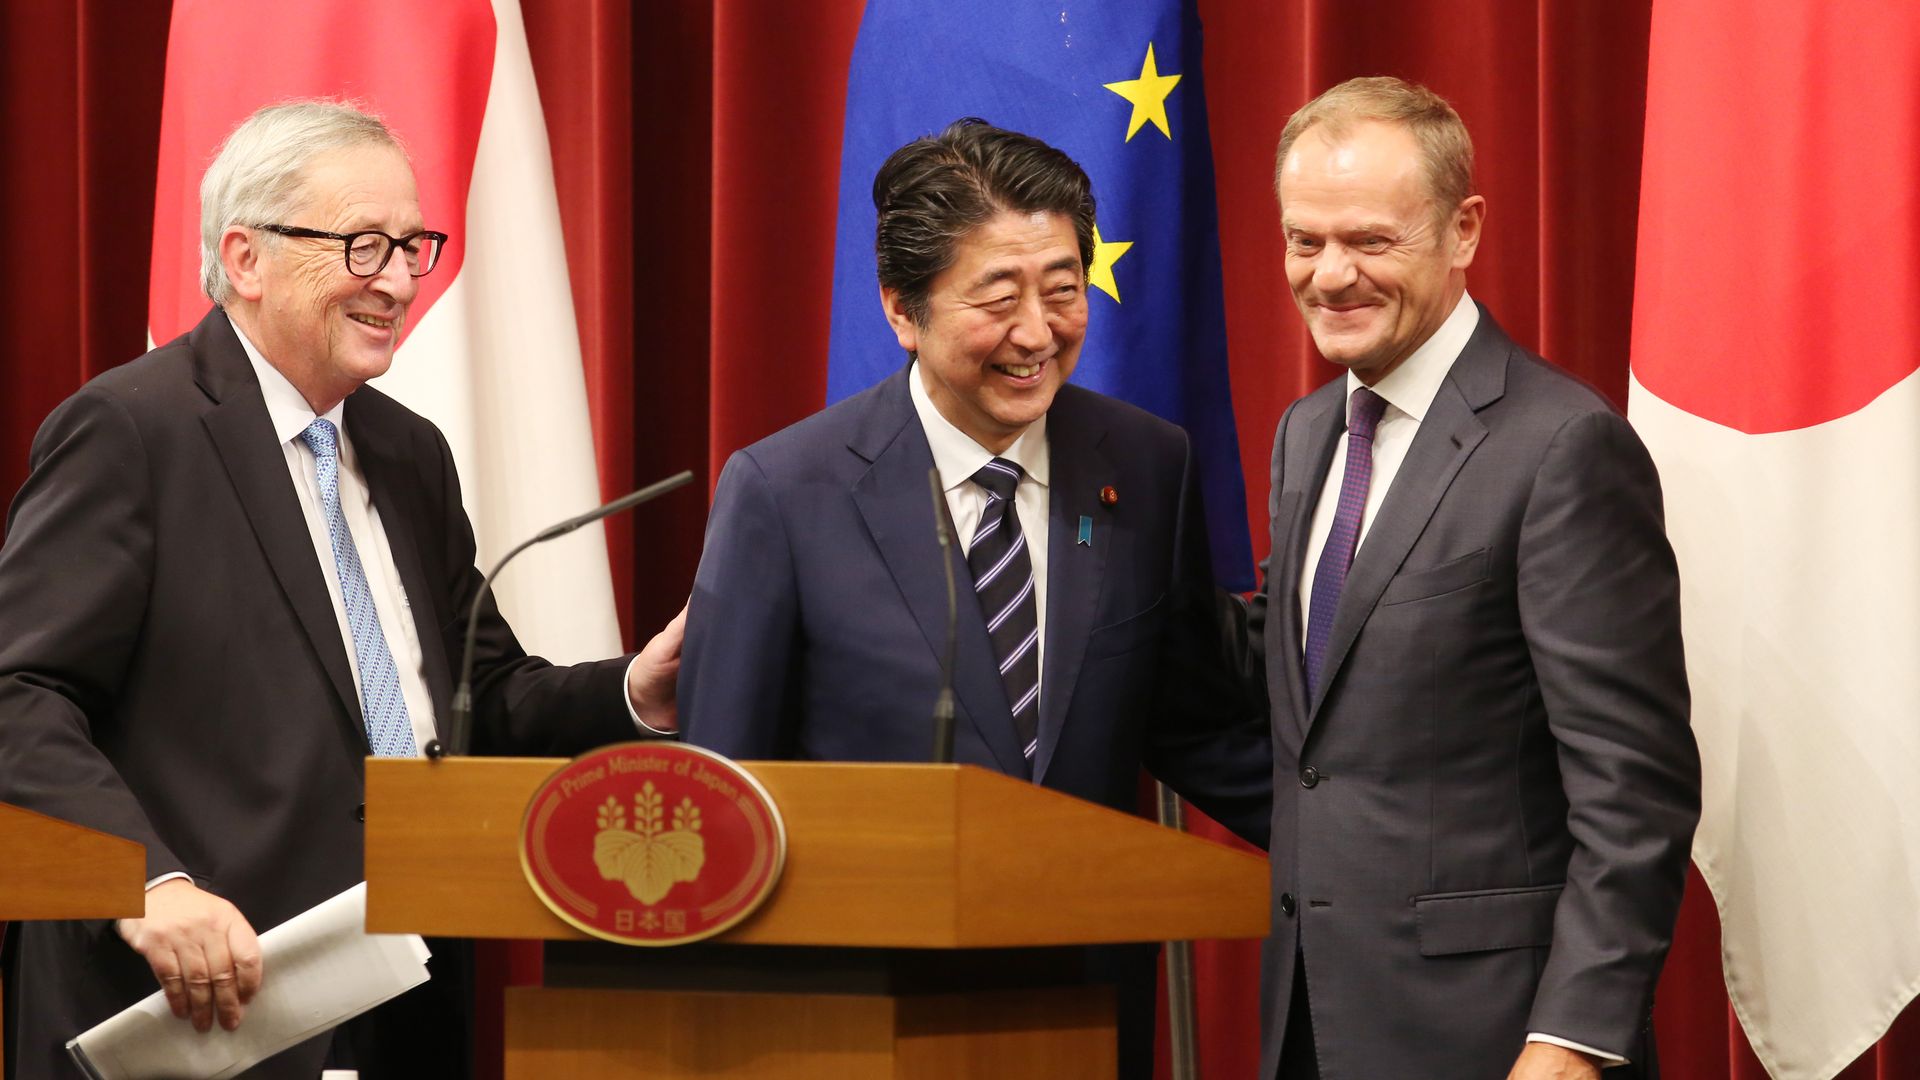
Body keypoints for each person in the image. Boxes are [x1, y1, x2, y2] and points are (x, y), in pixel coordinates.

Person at [0, 100, 680, 1080]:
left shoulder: (408, 452)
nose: (401, 282)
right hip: (194, 1011)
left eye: (414, 246)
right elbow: (22, 694)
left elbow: (476, 699)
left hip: (406, 994)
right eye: (365, 247)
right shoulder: (131, 431)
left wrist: (632, 693)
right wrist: (147, 883)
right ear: (245, 257)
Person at [677, 118, 1270, 1078]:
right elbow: (727, 791)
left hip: (1086, 1012)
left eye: (1063, 292)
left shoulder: (1147, 465)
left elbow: (1196, 719)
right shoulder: (786, 492)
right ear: (902, 311)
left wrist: (1367, 846)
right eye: (998, 300)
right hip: (859, 1026)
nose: (1037, 334)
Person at [1244, 76, 1700, 1079]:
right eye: (1304, 240)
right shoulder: (1306, 433)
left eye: (1368, 240)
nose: (1329, 276)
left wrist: (1574, 1038)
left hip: (1497, 1040)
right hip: (1312, 1023)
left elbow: (1635, 788)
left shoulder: (1563, 447)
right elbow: (1319, 719)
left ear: (1463, 231)